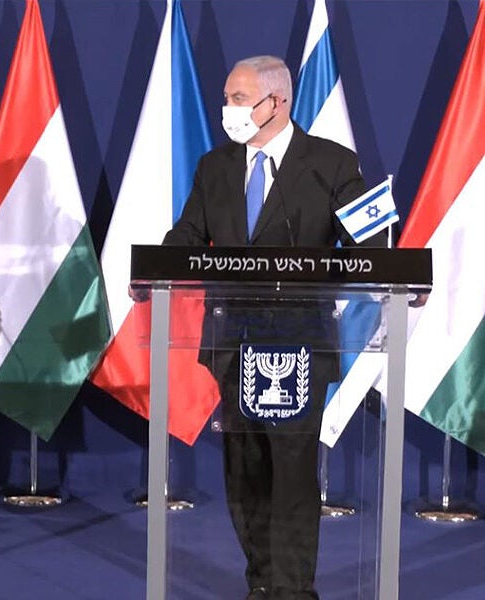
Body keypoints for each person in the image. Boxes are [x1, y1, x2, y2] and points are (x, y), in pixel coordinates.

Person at [148, 55, 378, 600]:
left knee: (293, 476)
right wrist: (151, 269)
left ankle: (293, 591)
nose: (228, 109)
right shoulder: (215, 167)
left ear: (278, 101)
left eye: (238, 98)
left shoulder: (331, 163)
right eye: (226, 97)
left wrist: (391, 267)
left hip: (298, 348)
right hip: (233, 343)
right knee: (244, 473)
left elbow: (373, 248)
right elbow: (188, 234)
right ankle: (260, 585)